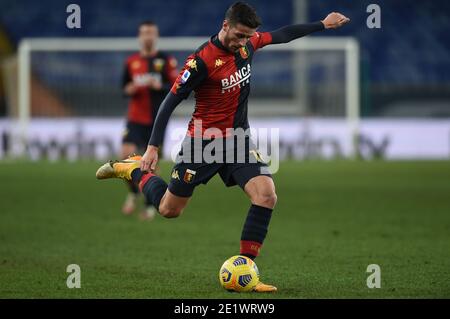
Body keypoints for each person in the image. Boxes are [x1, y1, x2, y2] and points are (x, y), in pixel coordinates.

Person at [97, 2, 349, 292]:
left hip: (238, 141)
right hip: (201, 144)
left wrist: (323, 24)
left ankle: (247, 272)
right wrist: (153, 147)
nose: (242, 42)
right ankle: (132, 169)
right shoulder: (201, 61)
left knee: (266, 195)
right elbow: (169, 101)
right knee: (169, 210)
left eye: (247, 37)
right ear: (225, 25)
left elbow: (283, 34)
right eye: (239, 35)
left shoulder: (248, 45)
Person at [120, 21, 178, 220]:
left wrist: (158, 85)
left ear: (156, 35)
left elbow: (176, 87)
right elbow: (123, 88)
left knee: (151, 163)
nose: (147, 36)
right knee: (126, 155)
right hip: (135, 117)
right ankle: (134, 192)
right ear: (139, 36)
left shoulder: (166, 60)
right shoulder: (131, 62)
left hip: (156, 120)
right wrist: (129, 89)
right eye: (144, 33)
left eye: (151, 33)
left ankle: (149, 205)